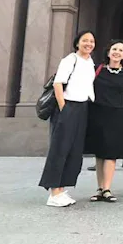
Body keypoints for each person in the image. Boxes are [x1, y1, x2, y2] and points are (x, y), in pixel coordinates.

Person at [39, 30, 96, 207]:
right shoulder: (69, 60)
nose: (89, 44)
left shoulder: (89, 62)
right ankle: (53, 191)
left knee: (74, 150)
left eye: (92, 41)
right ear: (77, 43)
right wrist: (63, 107)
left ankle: (62, 189)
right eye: (85, 40)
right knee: (60, 148)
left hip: (82, 107)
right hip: (68, 106)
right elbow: (58, 83)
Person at [85, 39, 123, 203]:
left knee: (111, 154)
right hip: (98, 115)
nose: (117, 52)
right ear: (108, 52)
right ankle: (99, 188)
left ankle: (107, 188)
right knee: (99, 153)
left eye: (120, 50)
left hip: (117, 116)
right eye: (114, 49)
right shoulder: (97, 70)